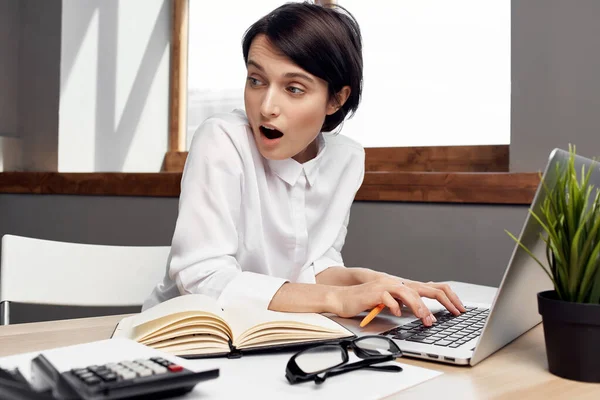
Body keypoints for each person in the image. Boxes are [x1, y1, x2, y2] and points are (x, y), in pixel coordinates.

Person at [143, 1, 466, 327]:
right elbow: (203, 278)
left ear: (336, 99)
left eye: (293, 88)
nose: (267, 107)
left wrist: (381, 284)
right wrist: (337, 298)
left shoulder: (346, 159)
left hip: (273, 337)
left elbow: (314, 265)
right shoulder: (222, 140)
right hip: (183, 338)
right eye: (256, 80)